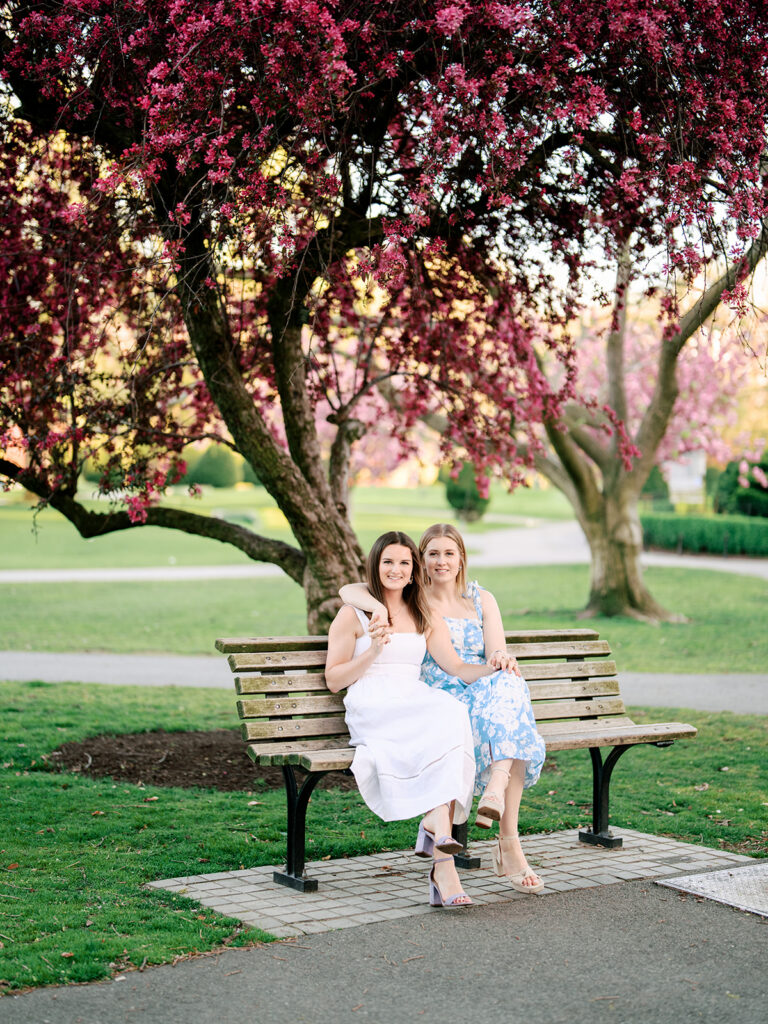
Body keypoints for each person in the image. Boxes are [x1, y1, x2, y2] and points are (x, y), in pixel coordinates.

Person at [340, 523, 546, 894]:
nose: (440, 561)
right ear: (420, 561)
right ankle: (497, 843)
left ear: (462, 557)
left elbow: (491, 651)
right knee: (500, 722)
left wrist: (500, 661)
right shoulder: (415, 596)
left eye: (449, 553)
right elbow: (354, 589)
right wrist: (375, 608)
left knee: (510, 697)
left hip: (481, 687)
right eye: (432, 554)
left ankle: (500, 810)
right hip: (438, 692)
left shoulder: (481, 599)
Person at [326, 531, 499, 909]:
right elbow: (334, 679)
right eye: (388, 561)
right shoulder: (352, 613)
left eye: (404, 562)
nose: (396, 569)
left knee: (451, 709)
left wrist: (498, 671)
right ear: (375, 565)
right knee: (429, 716)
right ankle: (441, 848)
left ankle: (435, 824)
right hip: (373, 701)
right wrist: (373, 649)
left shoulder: (423, 612)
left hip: (411, 696)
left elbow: (454, 666)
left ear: (413, 570)